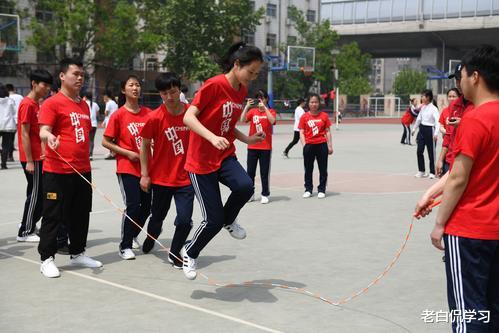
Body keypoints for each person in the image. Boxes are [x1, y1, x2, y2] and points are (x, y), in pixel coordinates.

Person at [414, 45, 499, 333]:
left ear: (475, 77)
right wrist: (430, 193)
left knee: (469, 313)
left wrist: (439, 224)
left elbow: (460, 178)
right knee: (492, 309)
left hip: (470, 232)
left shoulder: (475, 119)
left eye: (460, 75)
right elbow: (457, 174)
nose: (458, 82)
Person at [181, 42, 265, 280]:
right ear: (237, 65)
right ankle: (189, 251)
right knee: (212, 220)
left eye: (256, 74)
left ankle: (230, 219)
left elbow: (227, 125)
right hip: (201, 161)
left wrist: (247, 139)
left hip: (224, 154)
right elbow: (189, 117)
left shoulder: (240, 91)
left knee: (245, 186)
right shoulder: (214, 85)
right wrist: (211, 137)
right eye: (250, 72)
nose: (252, 78)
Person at [38, 58, 102, 278]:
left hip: (82, 169)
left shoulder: (84, 104)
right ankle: (47, 258)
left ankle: (77, 253)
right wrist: (50, 137)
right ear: (63, 76)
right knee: (53, 215)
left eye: (82, 75)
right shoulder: (52, 103)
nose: (80, 78)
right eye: (76, 74)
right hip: (57, 171)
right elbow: (43, 131)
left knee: (81, 214)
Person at [139, 72, 194, 269]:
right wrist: (145, 175)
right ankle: (151, 235)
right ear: (159, 94)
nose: (169, 97)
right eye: (164, 93)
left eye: (173, 92)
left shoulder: (191, 114)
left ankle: (174, 251)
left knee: (185, 220)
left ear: (180, 90)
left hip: (187, 178)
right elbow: (144, 146)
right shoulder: (154, 118)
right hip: (161, 179)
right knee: (157, 217)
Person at [102, 75, 151, 260]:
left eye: (138, 85)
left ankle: (133, 234)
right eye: (131, 85)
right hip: (127, 167)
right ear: (124, 90)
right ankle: (125, 245)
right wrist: (126, 152)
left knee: (147, 208)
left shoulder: (148, 113)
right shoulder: (118, 115)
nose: (135, 88)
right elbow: (105, 142)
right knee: (133, 205)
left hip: (147, 168)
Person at [16, 70, 53, 242]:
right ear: (34, 84)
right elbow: (24, 133)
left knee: (36, 191)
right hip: (32, 158)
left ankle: (29, 223)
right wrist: (30, 160)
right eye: (44, 85)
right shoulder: (27, 104)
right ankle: (25, 230)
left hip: (39, 156)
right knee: (36, 193)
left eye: (48, 86)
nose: (46, 89)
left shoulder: (37, 104)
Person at [436, 64, 475, 178]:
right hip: (451, 159)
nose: (458, 83)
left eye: (460, 79)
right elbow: (449, 135)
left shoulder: (479, 104)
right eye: (456, 79)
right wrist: (440, 159)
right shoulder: (454, 105)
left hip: (468, 160)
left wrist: (462, 124)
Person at [240, 89, 276, 204]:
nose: (260, 100)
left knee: (264, 172)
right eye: (258, 97)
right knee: (250, 172)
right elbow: (242, 120)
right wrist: (246, 107)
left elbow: (272, 121)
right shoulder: (253, 111)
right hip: (252, 147)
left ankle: (265, 194)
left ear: (266, 99)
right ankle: (250, 194)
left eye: (262, 98)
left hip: (265, 147)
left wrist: (265, 108)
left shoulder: (270, 111)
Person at [299, 93, 333, 199]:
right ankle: (308, 189)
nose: (314, 104)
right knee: (308, 169)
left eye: (316, 102)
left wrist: (330, 145)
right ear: (308, 104)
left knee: (323, 168)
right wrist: (305, 145)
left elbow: (327, 131)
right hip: (309, 145)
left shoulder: (324, 116)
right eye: (312, 102)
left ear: (319, 103)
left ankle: (322, 189)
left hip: (321, 145)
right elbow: (301, 131)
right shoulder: (304, 116)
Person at [412, 90, 440, 179]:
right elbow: (419, 119)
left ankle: (432, 172)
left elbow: (437, 122)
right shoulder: (423, 107)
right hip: (422, 130)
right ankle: (421, 170)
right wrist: (414, 129)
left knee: (431, 152)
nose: (421, 98)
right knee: (419, 151)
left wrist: (436, 133)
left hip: (430, 130)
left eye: (423, 96)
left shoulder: (434, 109)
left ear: (428, 97)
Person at [435, 88, 461, 176]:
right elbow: (441, 125)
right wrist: (446, 131)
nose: (451, 98)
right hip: (447, 147)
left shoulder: (462, 110)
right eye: (449, 96)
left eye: (454, 96)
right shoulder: (445, 111)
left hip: (457, 152)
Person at [0, 84, 17, 169]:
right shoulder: (10, 101)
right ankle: (3, 164)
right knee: (6, 145)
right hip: (8, 126)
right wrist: (17, 123)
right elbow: (15, 114)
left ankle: (1, 152)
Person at [6, 84, 23, 162]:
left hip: (10, 120)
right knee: (18, 138)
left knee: (8, 139)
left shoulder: (6, 97)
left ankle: (8, 156)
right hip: (20, 119)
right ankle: (10, 155)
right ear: (14, 89)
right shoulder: (20, 97)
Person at [83, 92, 100, 160]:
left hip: (86, 123)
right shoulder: (95, 104)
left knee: (86, 139)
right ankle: (91, 154)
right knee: (92, 140)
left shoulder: (83, 103)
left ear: (85, 96)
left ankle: (86, 154)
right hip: (94, 124)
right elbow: (97, 113)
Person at [103, 91, 118, 159]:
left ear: (106, 96)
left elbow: (106, 113)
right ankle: (113, 152)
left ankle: (112, 153)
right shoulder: (114, 103)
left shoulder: (108, 103)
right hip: (114, 121)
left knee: (108, 139)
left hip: (109, 122)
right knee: (113, 138)